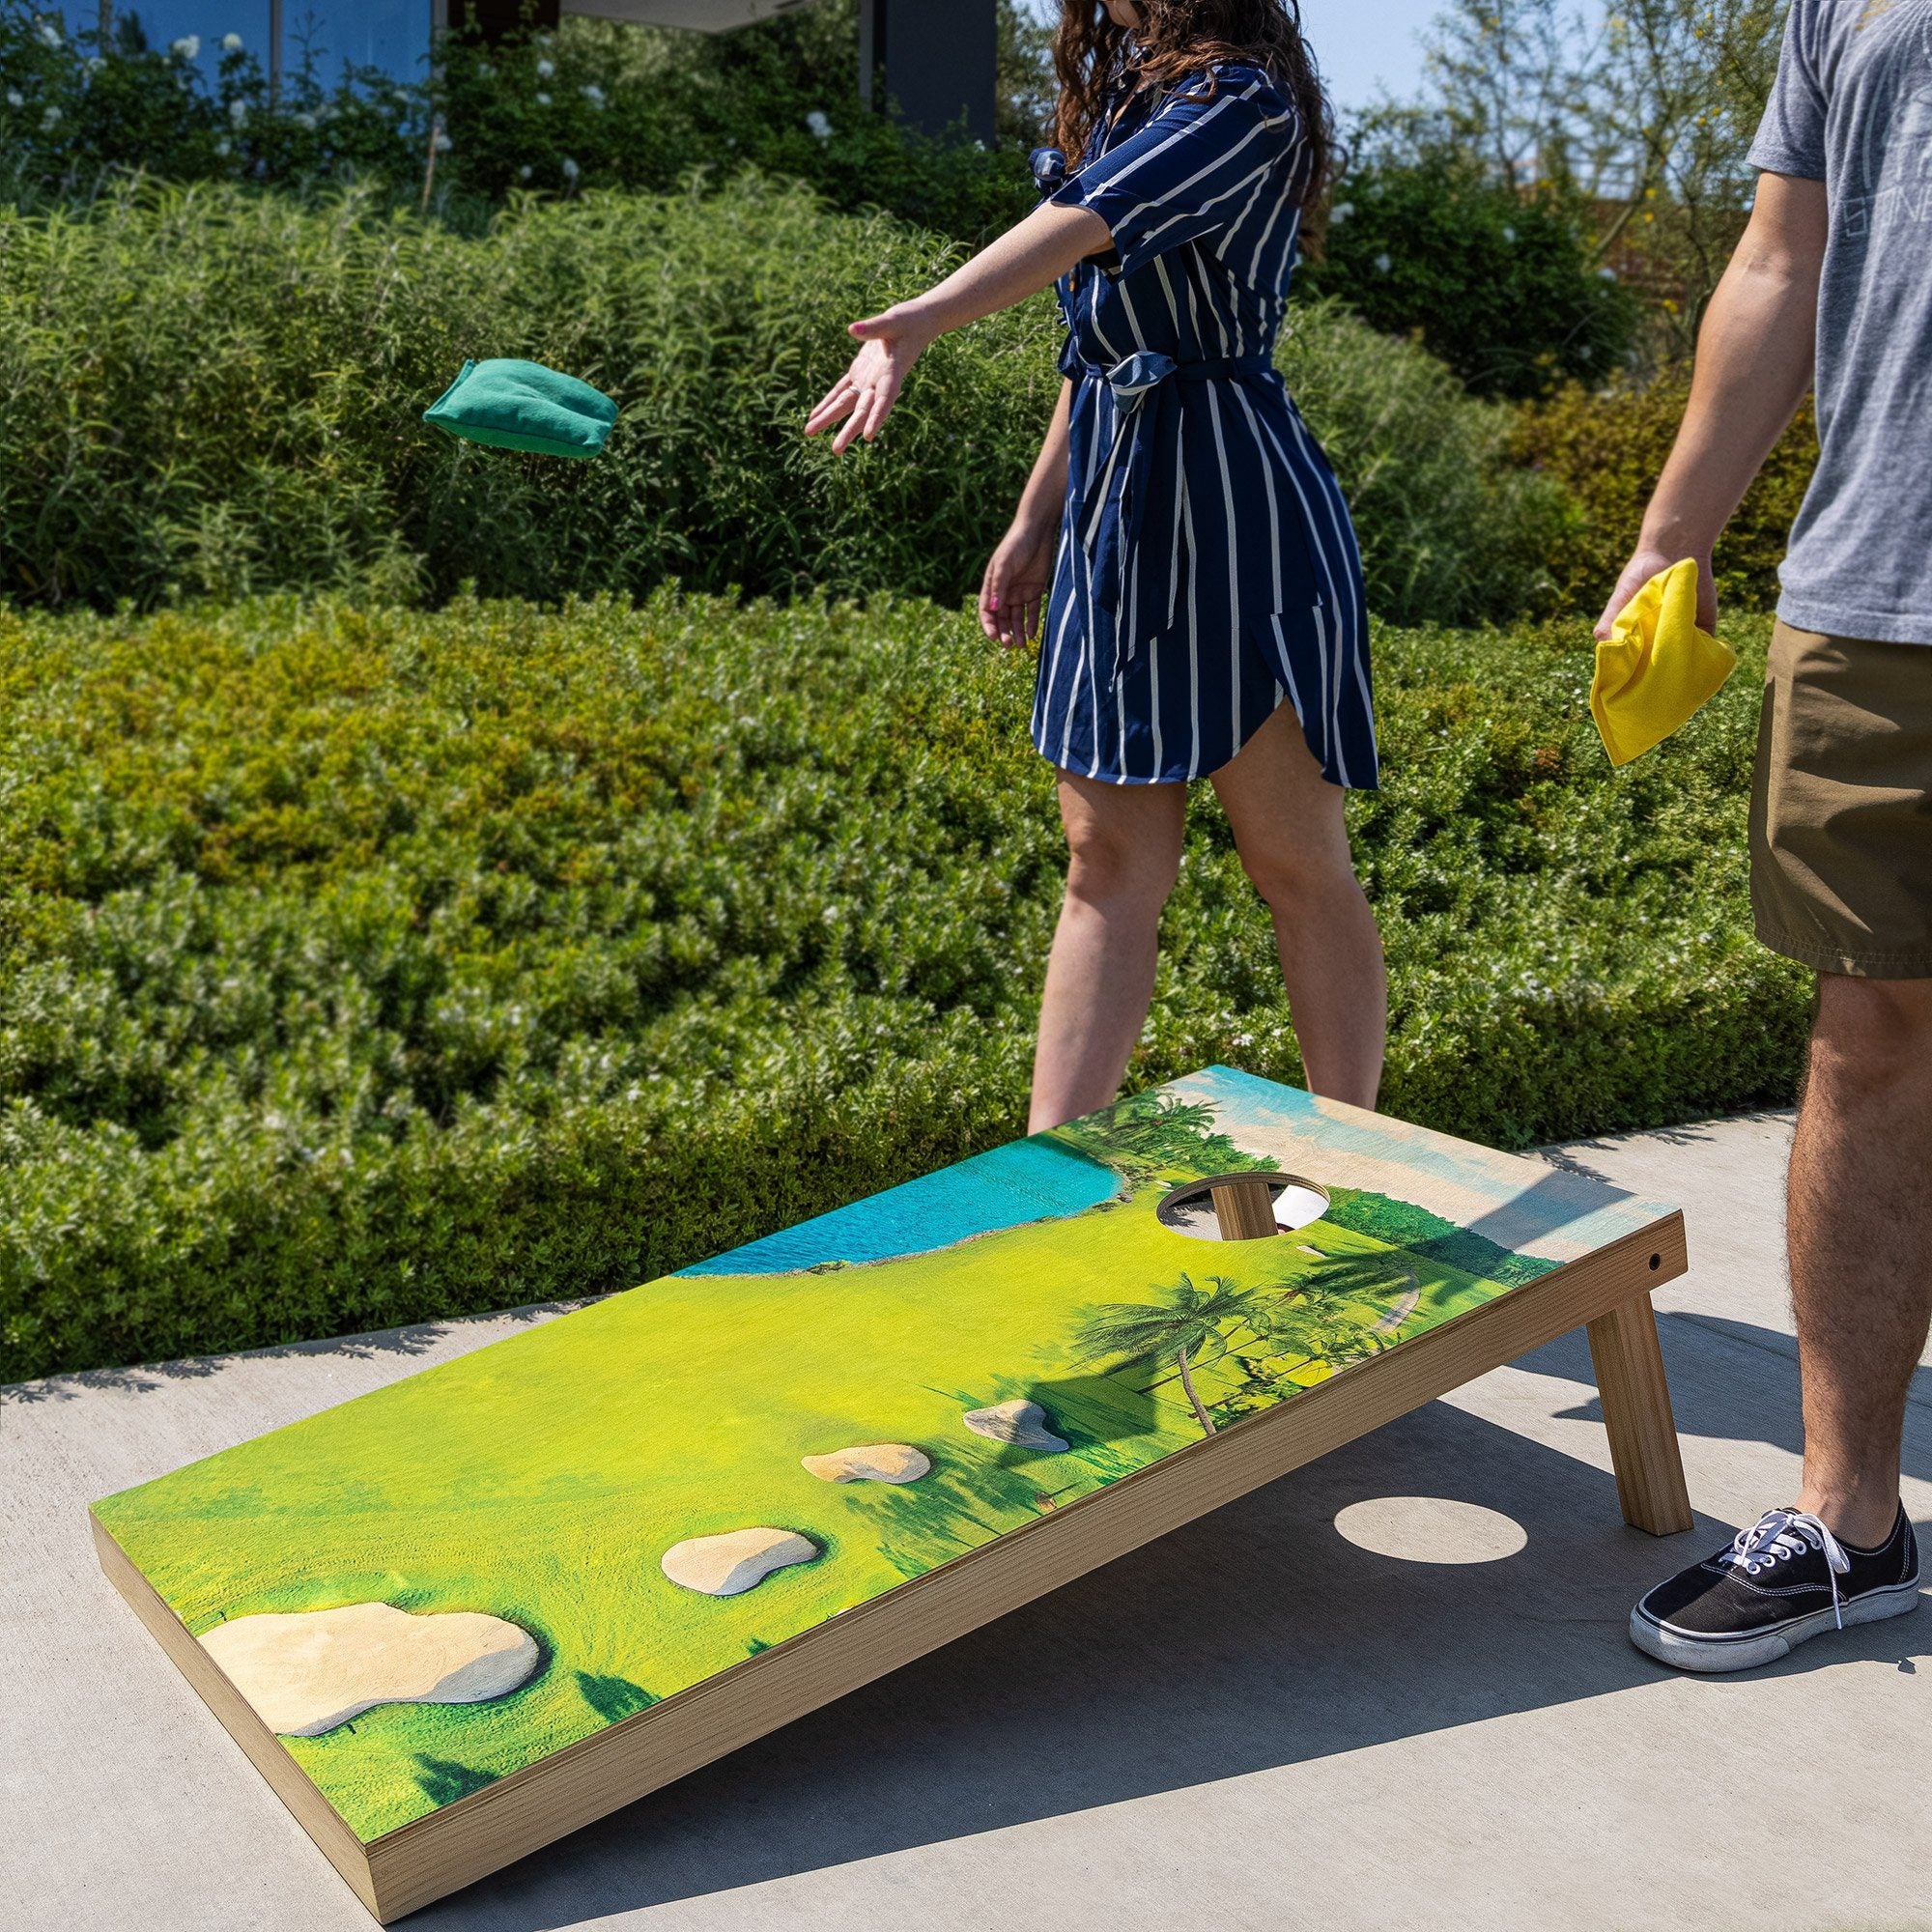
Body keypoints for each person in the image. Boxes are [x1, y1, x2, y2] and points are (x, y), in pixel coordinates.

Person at [806, 0, 1384, 1135]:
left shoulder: (1238, 105)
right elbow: (1098, 351)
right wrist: (1033, 520)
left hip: (1234, 509)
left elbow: (1084, 222)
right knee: (1102, 855)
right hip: (1115, 513)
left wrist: (920, 317)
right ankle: (1052, 1170)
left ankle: (1357, 1158)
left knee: (1292, 859)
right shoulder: (1122, 104)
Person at [1609, 0, 1927, 1672]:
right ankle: (1852, 1524)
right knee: (1868, 1036)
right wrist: (1672, 534)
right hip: (1877, 591)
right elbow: (1782, 253)